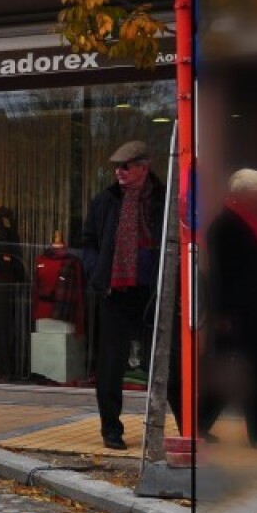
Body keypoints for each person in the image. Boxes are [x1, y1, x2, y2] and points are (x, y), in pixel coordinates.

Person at [82, 140, 165, 450]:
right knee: (111, 364)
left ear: (143, 167)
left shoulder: (163, 199)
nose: (119, 172)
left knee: (165, 361)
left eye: (126, 166)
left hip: (152, 293)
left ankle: (187, 427)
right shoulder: (105, 201)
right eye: (116, 166)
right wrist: (95, 271)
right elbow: (88, 240)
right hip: (114, 291)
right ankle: (111, 429)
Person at [200, 168, 257, 447]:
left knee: (246, 369)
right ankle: (201, 422)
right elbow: (219, 275)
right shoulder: (224, 226)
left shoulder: (251, 222)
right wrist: (223, 313)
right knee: (234, 370)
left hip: (251, 309)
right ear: (244, 195)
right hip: (235, 313)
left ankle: (203, 422)